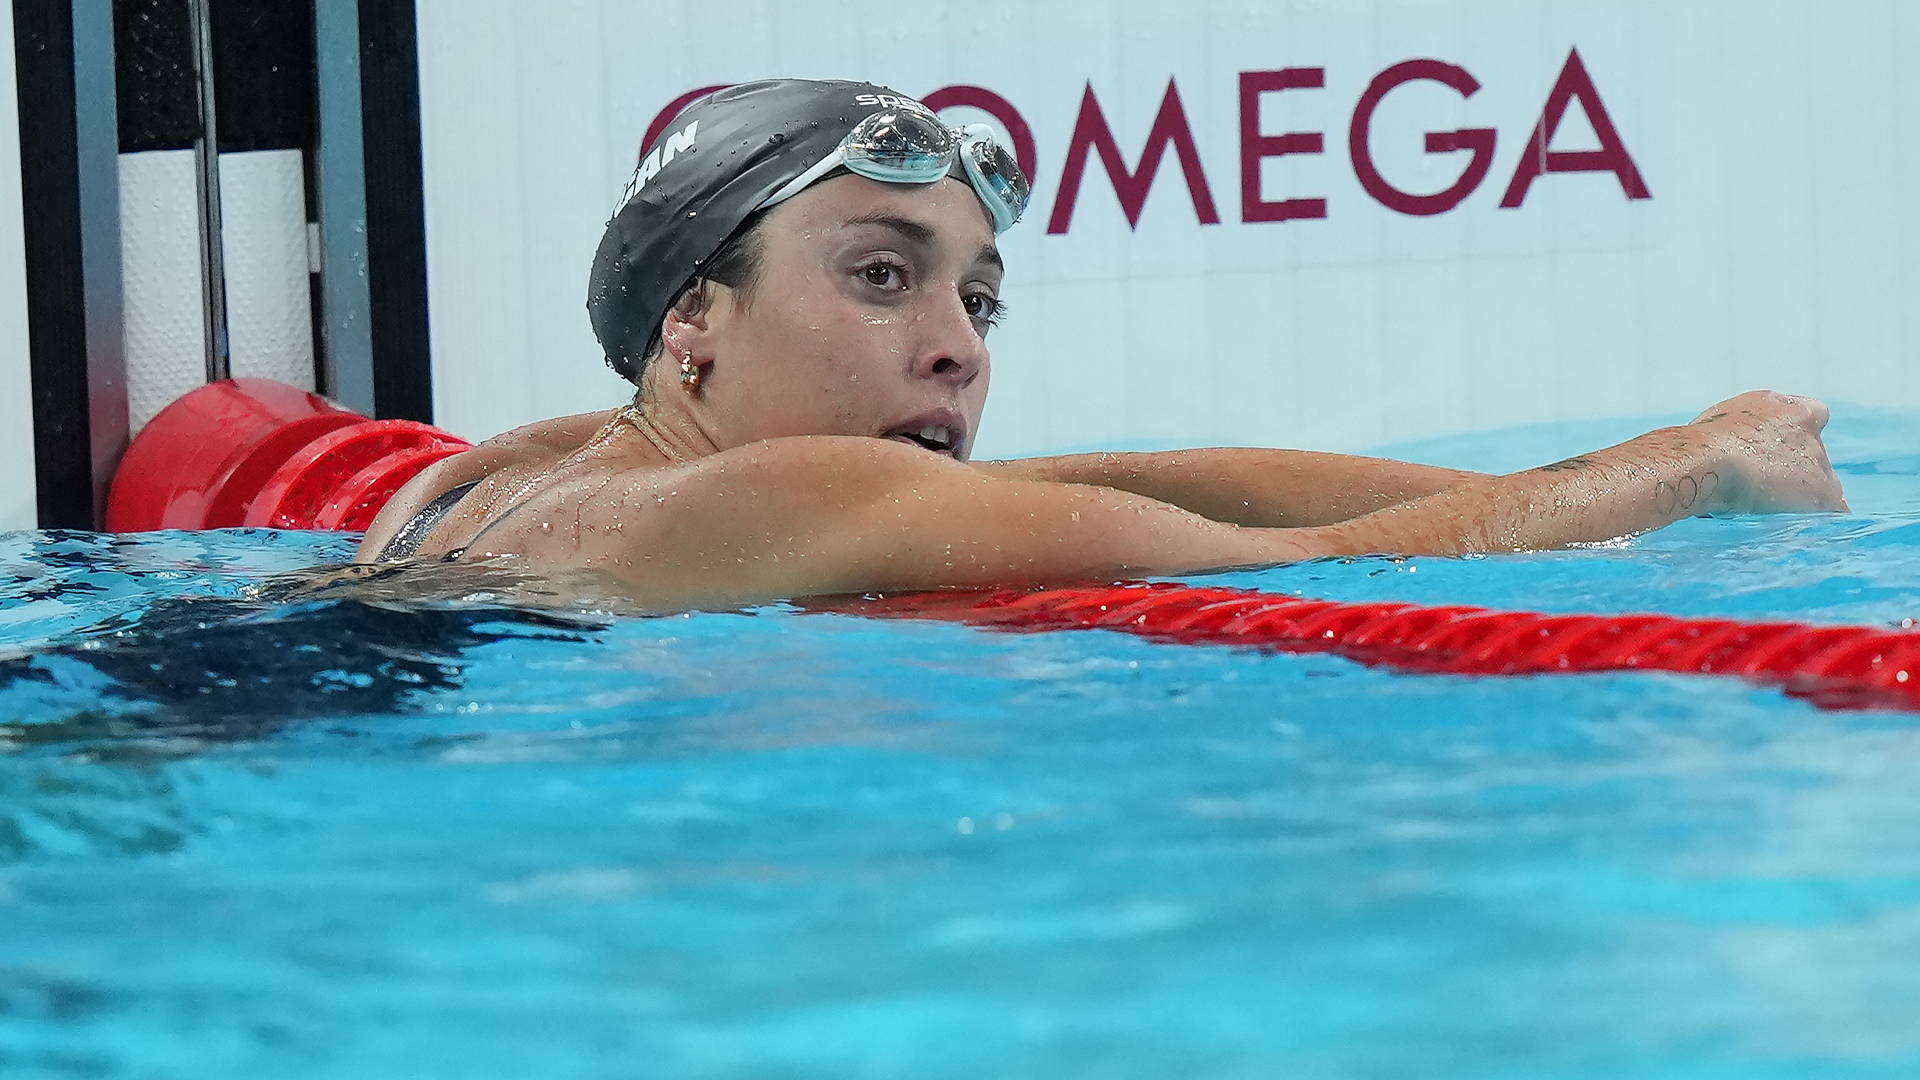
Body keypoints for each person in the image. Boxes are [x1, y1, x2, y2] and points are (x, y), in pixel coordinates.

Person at [355, 79, 1846, 611]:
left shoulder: (508, 477)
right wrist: (1694, 465)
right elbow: (1338, 574)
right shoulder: (764, 498)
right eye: (882, 276)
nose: (956, 351)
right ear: (693, 311)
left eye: (978, 302)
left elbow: (1132, 479)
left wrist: (1573, 460)